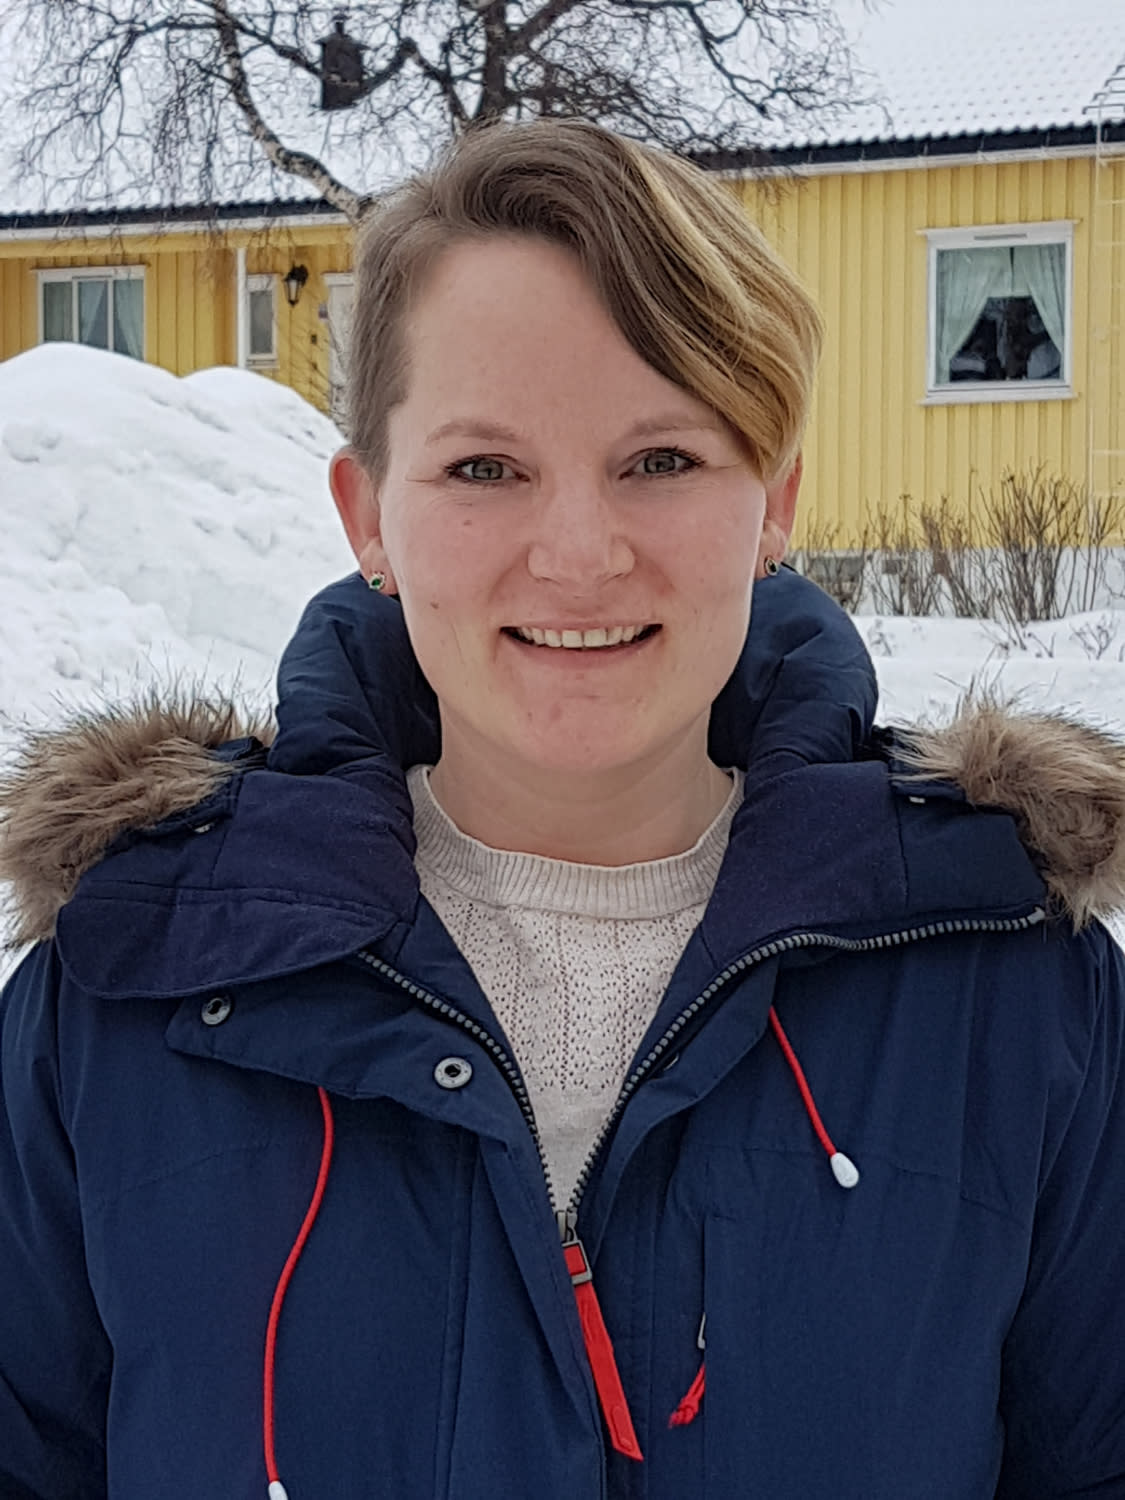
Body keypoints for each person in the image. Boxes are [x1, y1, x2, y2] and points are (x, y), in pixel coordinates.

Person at [2, 119, 1124, 1500]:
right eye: (485, 468)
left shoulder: (1015, 993)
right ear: (369, 515)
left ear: (772, 502)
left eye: (661, 460)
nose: (580, 554)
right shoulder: (127, 995)